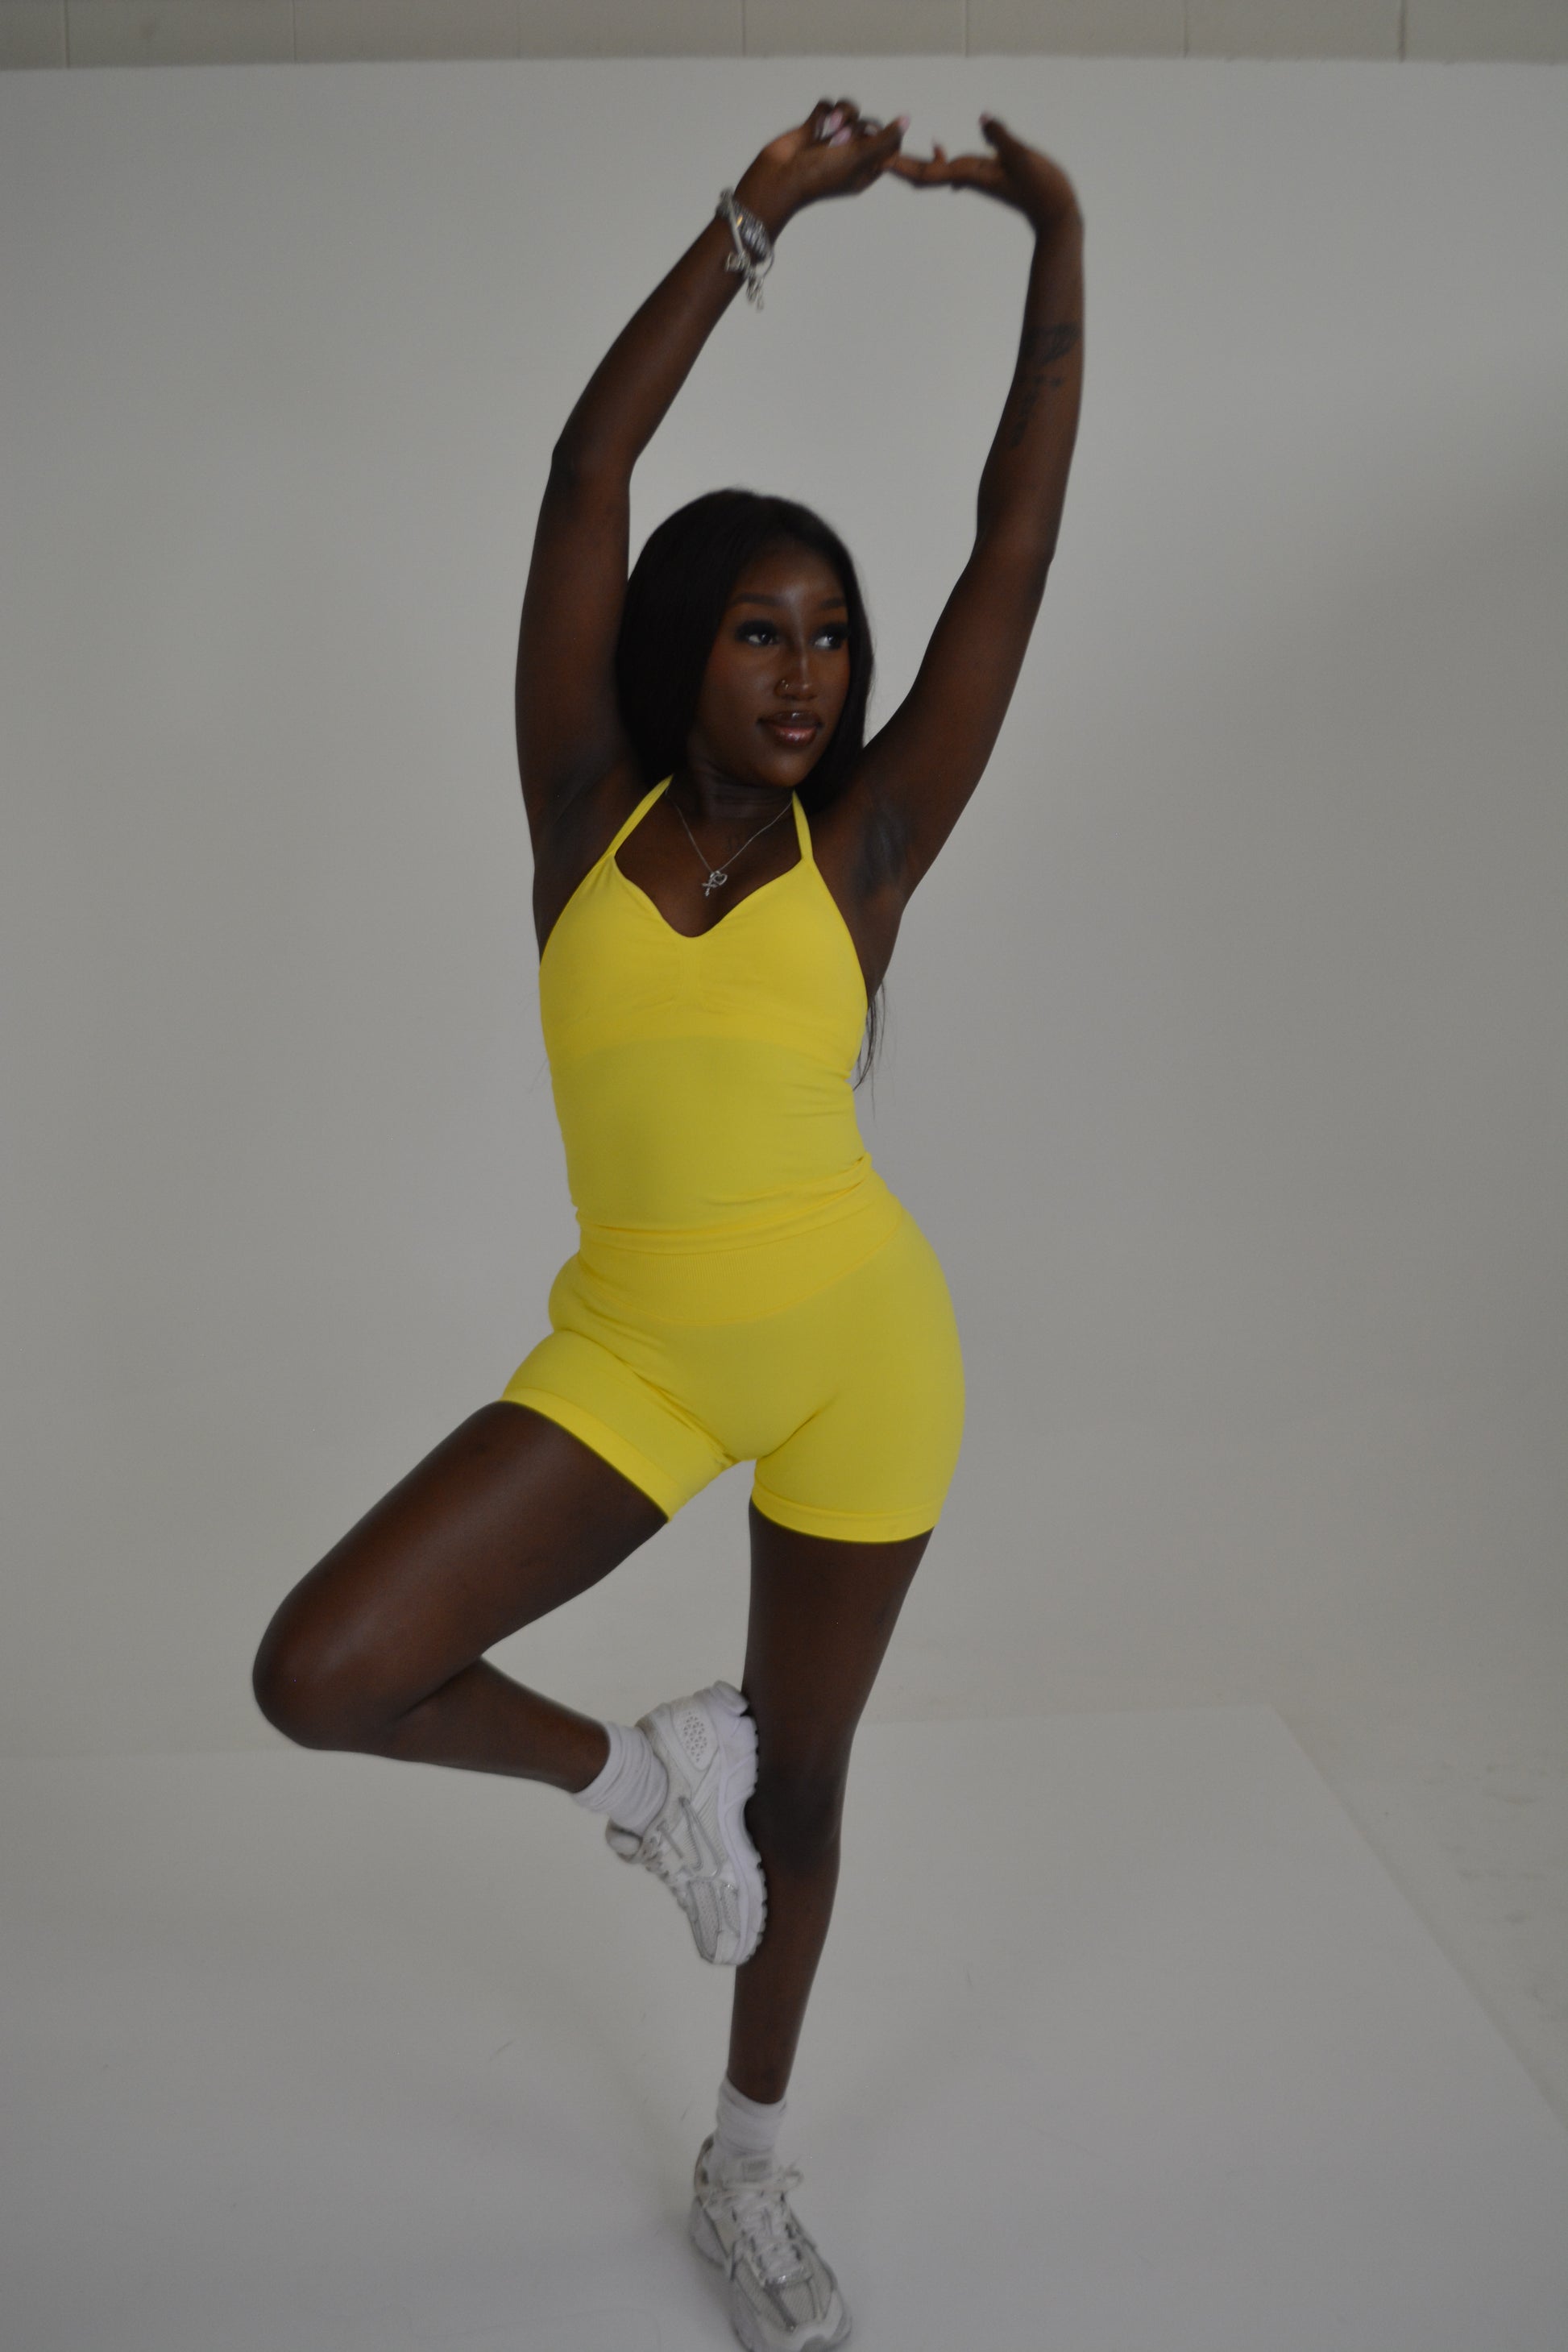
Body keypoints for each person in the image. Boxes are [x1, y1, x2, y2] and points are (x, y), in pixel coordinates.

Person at [252, 93, 1084, 2352]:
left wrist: (1054, 248)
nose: (805, 671)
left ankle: (747, 2172)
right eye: (757, 631)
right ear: (673, 651)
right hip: (628, 1352)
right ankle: (637, 1777)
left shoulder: (875, 846)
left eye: (828, 635)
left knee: (807, 1796)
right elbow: (580, 480)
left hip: (861, 1357)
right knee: (321, 1670)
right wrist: (751, 226)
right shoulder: (574, 807)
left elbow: (1012, 544)